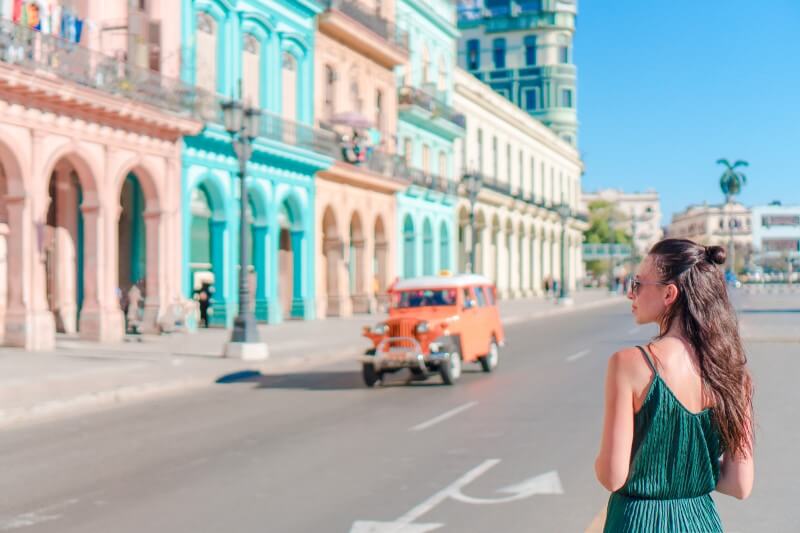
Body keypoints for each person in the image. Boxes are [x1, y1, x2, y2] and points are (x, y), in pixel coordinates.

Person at [595, 238, 754, 532]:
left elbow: (612, 476)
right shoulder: (734, 374)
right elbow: (739, 483)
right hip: (701, 521)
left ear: (669, 293)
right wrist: (689, 469)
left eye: (638, 283)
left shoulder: (630, 363)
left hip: (636, 522)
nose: (631, 293)